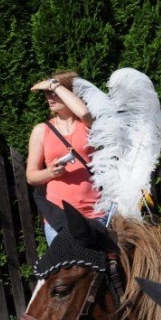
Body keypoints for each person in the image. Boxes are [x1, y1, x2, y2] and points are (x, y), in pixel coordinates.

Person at [26, 70, 103, 245]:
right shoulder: (41, 130)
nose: (49, 97)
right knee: (65, 263)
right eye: (47, 93)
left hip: (95, 213)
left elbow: (84, 112)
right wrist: (50, 172)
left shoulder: (88, 125)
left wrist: (54, 85)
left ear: (69, 93)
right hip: (59, 217)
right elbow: (31, 176)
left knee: (98, 262)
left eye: (54, 92)